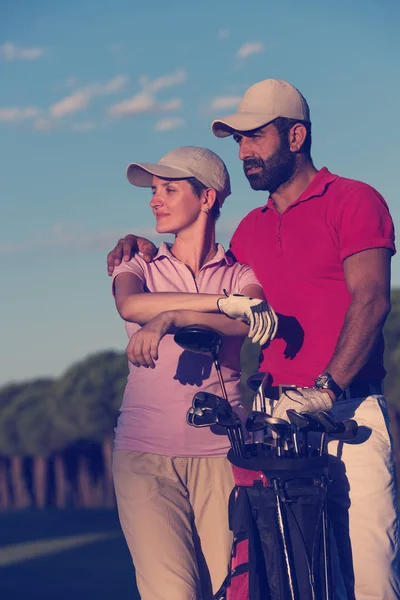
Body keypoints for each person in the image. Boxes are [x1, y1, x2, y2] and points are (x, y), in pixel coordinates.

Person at [107, 79, 400, 600]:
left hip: (347, 411)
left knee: (370, 578)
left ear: (295, 137)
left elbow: (373, 300)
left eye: (254, 137)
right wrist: (140, 242)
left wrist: (327, 388)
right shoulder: (249, 232)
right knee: (281, 581)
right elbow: (217, 288)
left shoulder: (354, 200)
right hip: (268, 424)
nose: (244, 152)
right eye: (237, 141)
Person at [110, 145, 277, 600]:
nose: (154, 200)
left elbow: (249, 318)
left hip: (223, 455)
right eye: (153, 190)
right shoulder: (138, 264)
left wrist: (174, 319)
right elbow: (131, 304)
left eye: (168, 188)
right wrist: (216, 303)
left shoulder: (241, 274)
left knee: (233, 590)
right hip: (143, 458)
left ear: (207, 198)